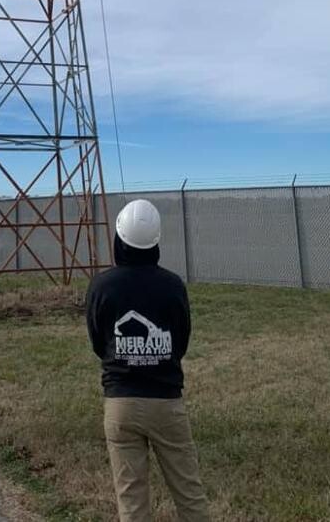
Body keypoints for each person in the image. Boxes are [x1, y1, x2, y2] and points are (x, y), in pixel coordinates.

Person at [86, 199, 209, 522]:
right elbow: (180, 340)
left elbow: (99, 341)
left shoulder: (101, 285)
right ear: (155, 243)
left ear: (118, 239)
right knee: (189, 492)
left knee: (131, 500)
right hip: (166, 401)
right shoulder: (172, 285)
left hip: (120, 401)